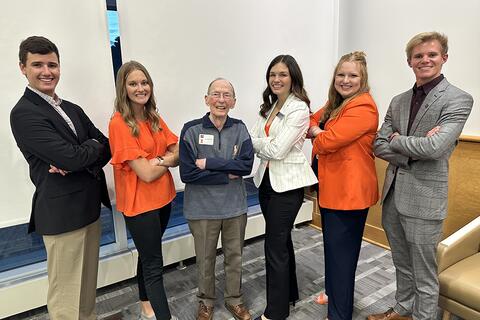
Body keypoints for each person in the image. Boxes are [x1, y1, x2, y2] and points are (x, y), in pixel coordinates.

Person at [369, 32, 473, 320]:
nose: (425, 60)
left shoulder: (458, 99)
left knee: (425, 272)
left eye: (432, 54)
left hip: (425, 200)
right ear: (409, 62)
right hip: (393, 196)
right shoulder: (398, 100)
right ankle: (403, 309)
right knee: (401, 262)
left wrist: (397, 139)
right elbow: (378, 143)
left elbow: (436, 147)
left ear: (444, 58)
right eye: (418, 56)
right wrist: (410, 146)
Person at [10, 36, 111, 320]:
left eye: (52, 64)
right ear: (23, 68)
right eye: (37, 64)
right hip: (62, 216)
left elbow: (105, 145)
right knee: (66, 297)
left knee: (87, 290)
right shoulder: (24, 113)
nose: (47, 71)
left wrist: (80, 154)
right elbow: (73, 158)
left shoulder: (70, 108)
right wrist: (81, 154)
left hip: (89, 209)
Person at [308, 51, 379, 320]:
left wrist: (319, 134)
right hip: (331, 189)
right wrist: (319, 130)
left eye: (353, 75)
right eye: (341, 74)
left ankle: (340, 314)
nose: (345, 80)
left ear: (363, 79)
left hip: (349, 194)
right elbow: (311, 121)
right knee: (333, 249)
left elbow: (326, 142)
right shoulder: (336, 103)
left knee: (342, 257)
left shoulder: (363, 106)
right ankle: (333, 292)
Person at [108, 61, 179, 320]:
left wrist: (158, 159)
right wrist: (164, 159)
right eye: (134, 83)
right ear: (123, 88)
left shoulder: (153, 117)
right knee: (154, 264)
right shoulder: (119, 124)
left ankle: (145, 301)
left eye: (144, 82)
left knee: (148, 254)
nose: (141, 88)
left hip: (163, 199)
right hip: (140, 205)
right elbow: (146, 175)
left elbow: (178, 151)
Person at [179, 78, 254, 320]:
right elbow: (188, 173)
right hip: (201, 210)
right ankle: (206, 302)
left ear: (233, 102)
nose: (221, 100)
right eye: (216, 94)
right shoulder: (191, 130)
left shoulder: (240, 128)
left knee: (235, 257)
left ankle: (234, 299)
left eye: (226, 95)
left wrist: (209, 164)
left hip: (235, 208)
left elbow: (246, 166)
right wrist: (226, 174)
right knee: (205, 259)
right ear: (206, 99)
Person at [250, 55, 318, 320]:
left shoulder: (299, 108)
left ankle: (275, 312)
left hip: (287, 187)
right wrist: (260, 143)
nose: (276, 79)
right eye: (272, 75)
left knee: (274, 246)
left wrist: (258, 144)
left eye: (282, 75)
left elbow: (276, 150)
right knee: (282, 241)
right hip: (265, 182)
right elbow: (254, 137)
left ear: (293, 78)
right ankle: (289, 294)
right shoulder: (270, 106)